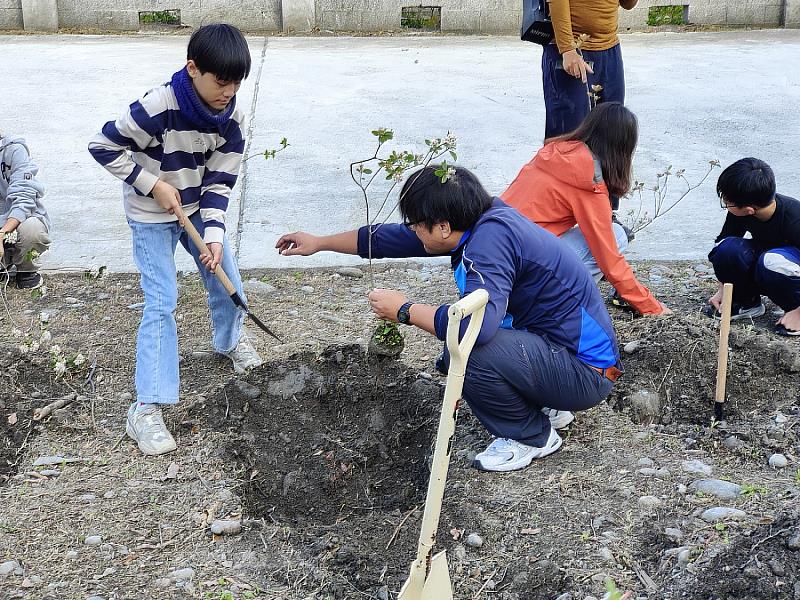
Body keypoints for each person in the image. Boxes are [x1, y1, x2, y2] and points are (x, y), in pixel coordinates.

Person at [275, 166, 622, 472]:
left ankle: (532, 436)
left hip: (586, 373)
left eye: (416, 225)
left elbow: (477, 328)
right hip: (566, 357)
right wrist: (320, 243)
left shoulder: (488, 246)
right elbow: (390, 239)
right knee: (460, 351)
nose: (411, 232)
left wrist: (405, 310)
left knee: (466, 351)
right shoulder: (481, 220)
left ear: (442, 226)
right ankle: (546, 403)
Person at [88, 23, 263, 456]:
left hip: (198, 208)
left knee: (225, 274)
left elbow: (221, 181)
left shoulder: (233, 117)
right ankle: (146, 407)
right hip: (151, 213)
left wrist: (215, 234)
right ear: (193, 69)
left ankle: (230, 340)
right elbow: (102, 145)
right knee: (161, 300)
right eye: (221, 81)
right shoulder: (157, 106)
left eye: (237, 82)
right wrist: (151, 184)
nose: (229, 91)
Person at [502, 102, 668, 315]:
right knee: (617, 235)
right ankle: (555, 304)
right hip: (522, 273)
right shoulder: (588, 180)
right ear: (621, 149)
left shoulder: (553, 152)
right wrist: (651, 307)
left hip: (495, 255)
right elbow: (608, 259)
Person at [705, 158, 800, 336]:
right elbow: (724, 243)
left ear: (749, 209)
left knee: (771, 261)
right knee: (726, 248)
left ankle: (795, 309)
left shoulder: (795, 218)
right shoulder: (739, 212)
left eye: (727, 202)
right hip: (768, 265)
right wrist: (723, 290)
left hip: (788, 269)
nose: (726, 204)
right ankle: (746, 303)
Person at [543, 0, 638, 139]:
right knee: (570, 137)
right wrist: (567, 49)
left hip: (609, 48)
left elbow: (628, 4)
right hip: (573, 50)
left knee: (612, 133)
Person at [0, 131, 51, 289]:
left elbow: (24, 197)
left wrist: (2, 232)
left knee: (32, 228)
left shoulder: (15, 151)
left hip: (16, 219)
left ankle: (27, 269)